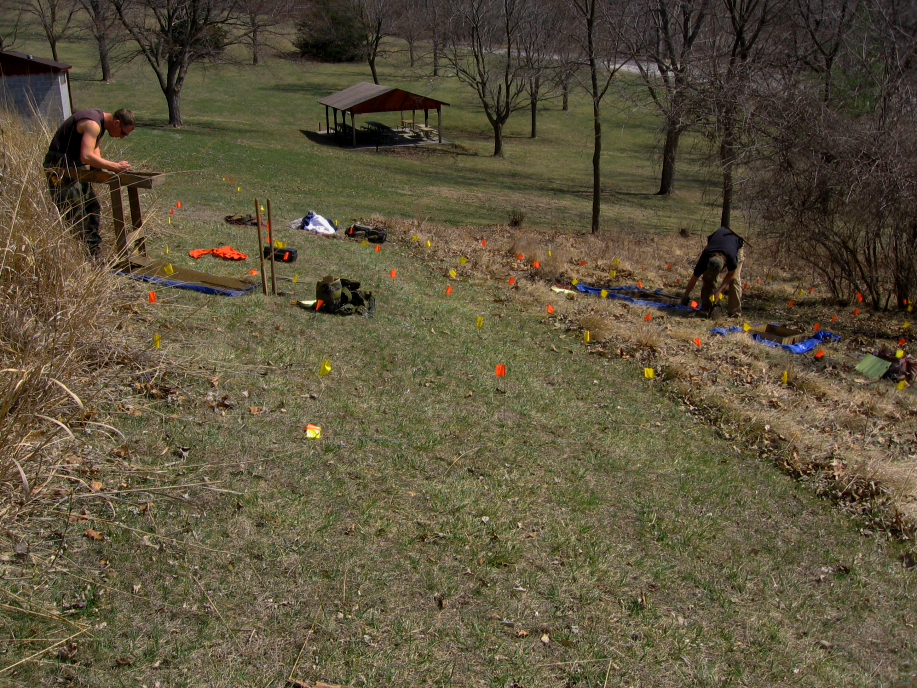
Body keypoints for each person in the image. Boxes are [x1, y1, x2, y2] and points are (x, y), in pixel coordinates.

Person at [44, 108, 134, 257]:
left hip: (74, 167)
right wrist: (115, 166)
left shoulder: (100, 125)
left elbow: (94, 150)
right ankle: (79, 259)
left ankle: (92, 253)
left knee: (92, 207)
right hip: (60, 167)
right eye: (123, 133)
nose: (122, 137)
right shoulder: (93, 124)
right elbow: (86, 156)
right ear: (117, 122)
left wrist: (100, 170)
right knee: (74, 214)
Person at [680, 226, 745, 318]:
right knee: (707, 278)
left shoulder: (731, 258)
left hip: (735, 242)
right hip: (717, 239)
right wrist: (685, 295)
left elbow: (731, 275)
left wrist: (719, 290)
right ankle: (707, 307)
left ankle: (734, 313)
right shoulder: (706, 256)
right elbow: (694, 277)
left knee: (734, 281)